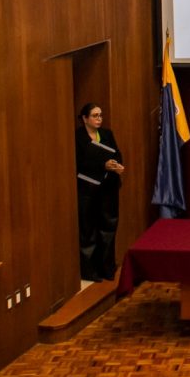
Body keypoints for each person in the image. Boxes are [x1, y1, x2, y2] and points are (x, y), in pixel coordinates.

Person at [75, 103, 125, 281]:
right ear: (85, 118)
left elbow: (116, 154)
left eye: (100, 115)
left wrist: (117, 165)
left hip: (108, 188)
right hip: (87, 190)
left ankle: (107, 268)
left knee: (108, 228)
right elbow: (79, 162)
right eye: (95, 116)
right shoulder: (78, 137)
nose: (99, 119)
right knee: (88, 229)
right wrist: (102, 165)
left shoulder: (106, 134)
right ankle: (90, 271)